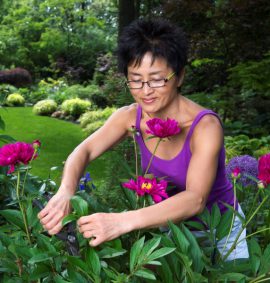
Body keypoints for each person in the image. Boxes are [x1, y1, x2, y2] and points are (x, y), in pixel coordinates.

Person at [38, 18, 249, 261]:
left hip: (222, 230)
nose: (146, 91)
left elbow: (195, 199)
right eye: (136, 79)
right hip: (168, 224)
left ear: (179, 76)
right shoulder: (130, 117)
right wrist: (66, 190)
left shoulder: (204, 126)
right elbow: (84, 150)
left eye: (157, 79)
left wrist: (120, 221)